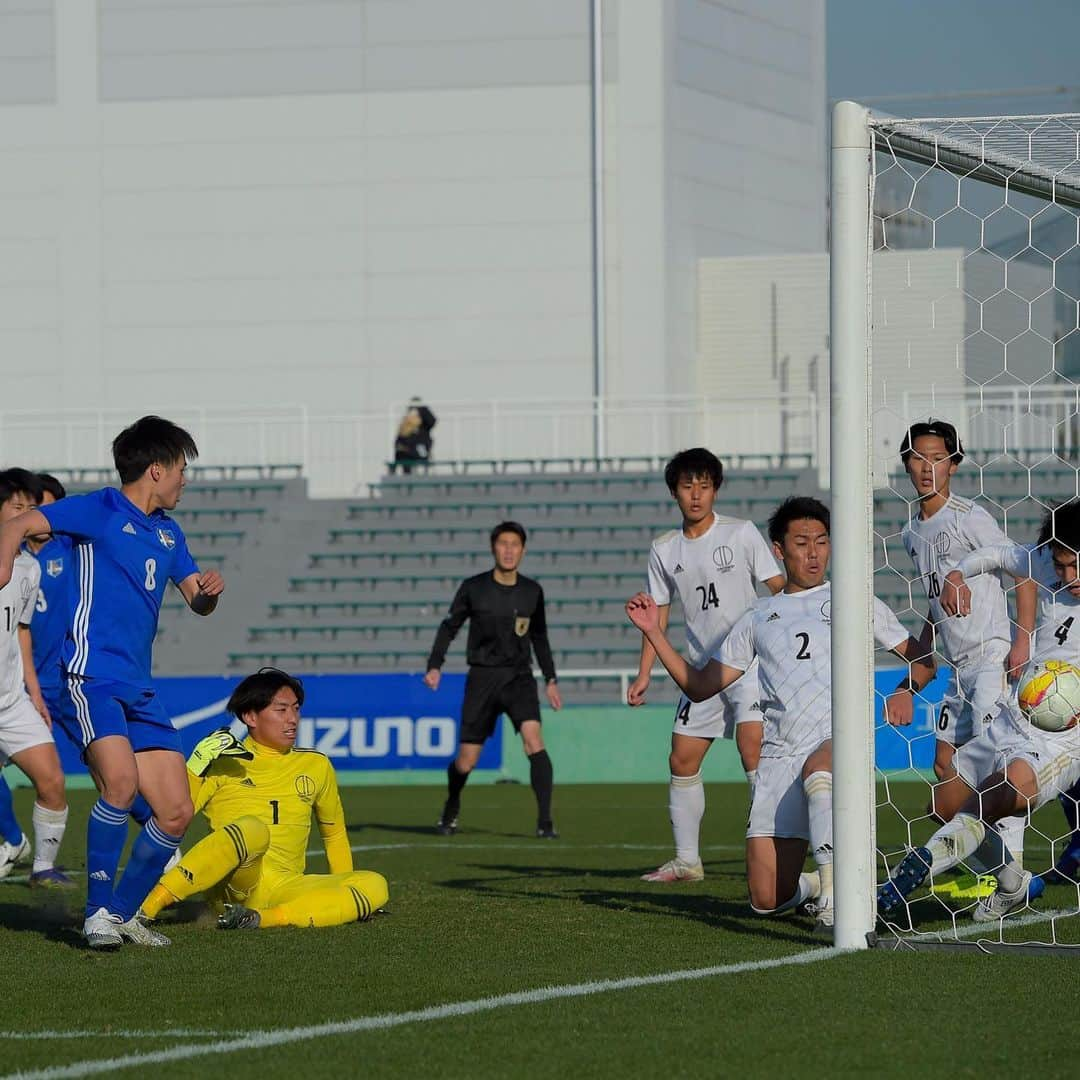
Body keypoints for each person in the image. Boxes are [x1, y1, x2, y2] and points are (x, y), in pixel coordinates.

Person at [627, 496, 934, 933]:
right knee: (766, 900)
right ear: (778, 550)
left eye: (822, 542)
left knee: (820, 769)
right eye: (802, 543)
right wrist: (655, 633)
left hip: (836, 742)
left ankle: (834, 899)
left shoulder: (853, 600)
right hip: (778, 758)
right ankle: (815, 885)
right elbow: (699, 686)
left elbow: (923, 660)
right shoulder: (758, 615)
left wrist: (906, 691)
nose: (814, 553)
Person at [0, 417, 225, 948]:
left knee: (176, 810)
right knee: (120, 786)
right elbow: (18, 524)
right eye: (180, 469)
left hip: (138, 685)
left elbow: (197, 600)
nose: (185, 480)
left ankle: (122, 913)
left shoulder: (169, 531)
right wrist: (4, 560)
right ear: (155, 469)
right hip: (89, 676)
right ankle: (96, 913)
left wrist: (210, 591)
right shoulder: (98, 509)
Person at [879, 499, 1080, 922]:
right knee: (947, 804)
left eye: (1076, 566)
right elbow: (995, 554)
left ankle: (910, 873)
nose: (1068, 577)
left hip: (1064, 738)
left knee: (1006, 792)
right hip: (1016, 716)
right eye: (1061, 566)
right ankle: (1013, 883)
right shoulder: (1041, 561)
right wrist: (955, 574)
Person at [627, 448, 784, 884]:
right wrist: (644, 674)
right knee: (682, 758)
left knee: (752, 751)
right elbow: (655, 616)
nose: (695, 495)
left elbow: (780, 588)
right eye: (686, 486)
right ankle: (688, 861)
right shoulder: (664, 549)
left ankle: (770, 850)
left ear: (715, 489)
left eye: (704, 485)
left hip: (749, 666)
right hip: (700, 671)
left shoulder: (742, 534)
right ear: (674, 492)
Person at [141, 668, 388, 933]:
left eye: (296, 709)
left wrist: (344, 885)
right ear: (250, 717)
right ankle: (146, 909)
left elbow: (334, 834)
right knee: (252, 830)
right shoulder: (222, 761)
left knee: (375, 884)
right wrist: (194, 767)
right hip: (234, 885)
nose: (292, 719)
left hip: (285, 887)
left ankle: (260, 918)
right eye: (281, 711)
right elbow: (174, 815)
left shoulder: (316, 764)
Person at [897, 419, 1035, 883]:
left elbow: (1022, 569)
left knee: (998, 764)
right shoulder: (909, 533)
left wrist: (1022, 639)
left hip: (992, 658)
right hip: (957, 669)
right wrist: (918, 666)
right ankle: (989, 865)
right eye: (918, 457)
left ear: (954, 465)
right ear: (907, 463)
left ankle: (1010, 873)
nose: (927, 467)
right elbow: (935, 606)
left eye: (938, 458)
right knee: (944, 765)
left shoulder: (969, 516)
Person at [423, 521, 562, 837]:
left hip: (519, 678)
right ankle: (452, 804)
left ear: (523, 550)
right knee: (466, 762)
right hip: (482, 679)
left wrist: (551, 679)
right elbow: (450, 627)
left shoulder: (532, 591)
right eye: (503, 544)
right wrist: (435, 665)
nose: (509, 550)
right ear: (493, 548)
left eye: (515, 544)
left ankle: (545, 822)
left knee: (534, 741)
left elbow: (539, 638)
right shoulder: (474, 588)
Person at [0, 469, 73, 887]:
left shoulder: (29, 567)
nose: (26, 515)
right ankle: (13, 842)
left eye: (30, 508)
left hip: (11, 702)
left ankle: (43, 868)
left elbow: (21, 631)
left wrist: (34, 692)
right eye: (17, 507)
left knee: (52, 780)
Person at [391, 397, 437, 475]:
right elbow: (398, 442)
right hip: (407, 455)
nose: (412, 416)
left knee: (409, 454)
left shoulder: (423, 427)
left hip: (419, 453)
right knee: (402, 455)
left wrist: (421, 407)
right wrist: (400, 447)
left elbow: (432, 421)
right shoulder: (404, 428)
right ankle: (403, 479)